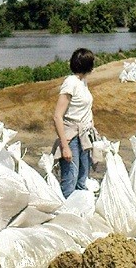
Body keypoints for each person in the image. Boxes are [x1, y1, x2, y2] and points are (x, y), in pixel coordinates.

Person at [53, 48, 96, 198]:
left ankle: (79, 212)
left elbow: (87, 110)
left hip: (84, 135)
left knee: (82, 178)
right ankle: (66, 214)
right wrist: (65, 147)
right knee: (70, 178)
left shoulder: (82, 82)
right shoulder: (70, 82)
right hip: (72, 137)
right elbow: (58, 116)